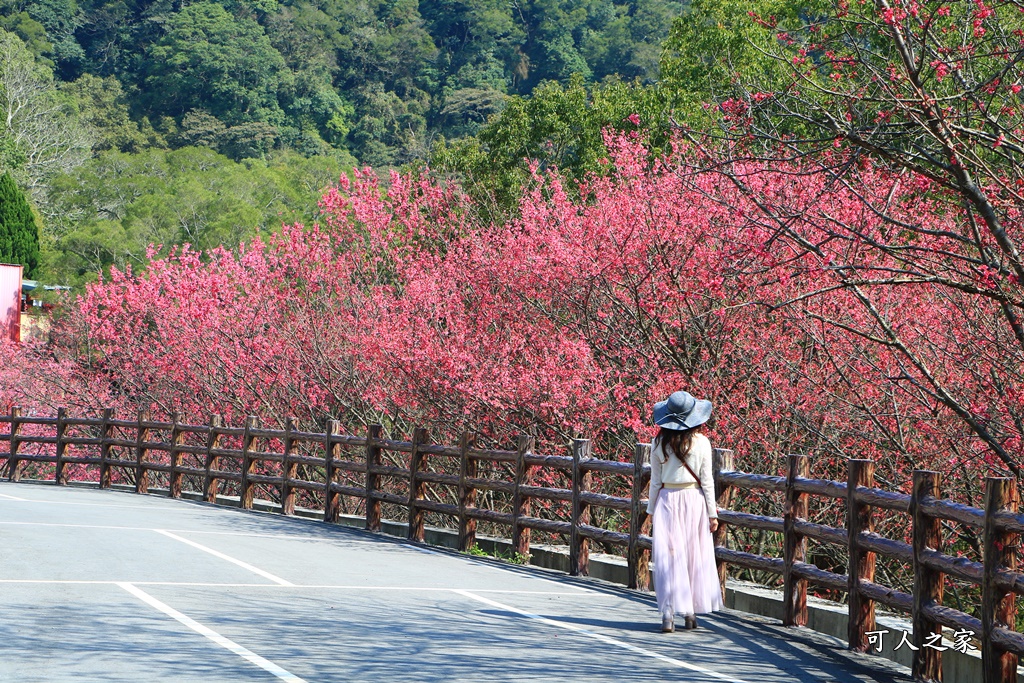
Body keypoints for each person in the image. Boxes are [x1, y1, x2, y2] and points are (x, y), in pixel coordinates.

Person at [647, 390, 723, 632]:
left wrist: (650, 511)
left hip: (667, 500)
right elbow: (707, 480)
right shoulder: (702, 442)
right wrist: (713, 513)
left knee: (669, 559)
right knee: (692, 555)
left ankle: (668, 615)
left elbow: (655, 482)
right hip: (694, 500)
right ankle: (690, 613)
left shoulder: (658, 443)